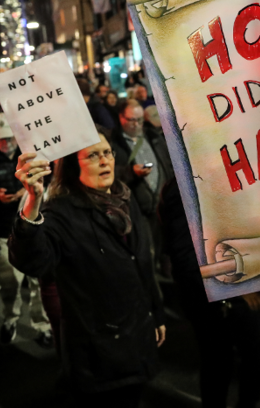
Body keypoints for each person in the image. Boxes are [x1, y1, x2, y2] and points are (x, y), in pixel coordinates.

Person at [9, 127, 166, 408]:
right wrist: (32, 202)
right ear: (72, 167)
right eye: (93, 155)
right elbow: (32, 261)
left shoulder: (124, 200)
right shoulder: (61, 213)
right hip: (98, 353)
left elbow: (142, 266)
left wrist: (156, 311)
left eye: (107, 152)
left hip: (137, 336)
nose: (105, 160)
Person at [159, 177, 260, 408]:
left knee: (257, 355)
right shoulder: (183, 187)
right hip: (213, 297)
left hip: (248, 286)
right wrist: (237, 286)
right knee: (218, 362)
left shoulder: (233, 174)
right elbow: (186, 257)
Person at [0, 114, 53, 348]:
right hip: (1, 231)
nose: (6, 144)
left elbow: (51, 183)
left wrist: (31, 194)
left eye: (10, 139)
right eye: (1, 140)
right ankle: (10, 319)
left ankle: (42, 324)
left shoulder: (32, 153)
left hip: (34, 231)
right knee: (9, 283)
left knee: (39, 283)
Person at [112, 99, 173, 262]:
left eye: (139, 120)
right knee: (149, 251)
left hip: (164, 205)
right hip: (140, 210)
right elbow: (112, 174)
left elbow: (167, 163)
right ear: (121, 118)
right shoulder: (114, 143)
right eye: (131, 120)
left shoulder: (153, 136)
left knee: (169, 246)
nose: (136, 124)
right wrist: (130, 172)